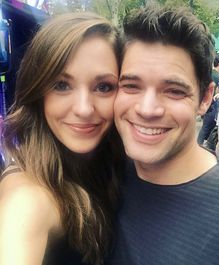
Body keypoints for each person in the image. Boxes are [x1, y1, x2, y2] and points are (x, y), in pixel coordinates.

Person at [109, 5, 219, 265]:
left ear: (205, 98)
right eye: (131, 86)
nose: (147, 109)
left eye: (174, 91)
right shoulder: (100, 172)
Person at [0, 12, 125, 265]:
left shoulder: (115, 164)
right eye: (61, 85)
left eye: (103, 87)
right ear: (38, 92)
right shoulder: (27, 198)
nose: (84, 109)